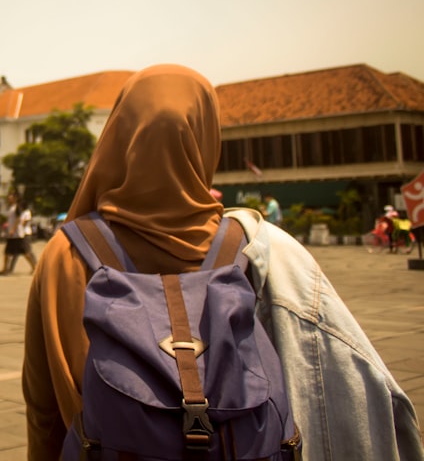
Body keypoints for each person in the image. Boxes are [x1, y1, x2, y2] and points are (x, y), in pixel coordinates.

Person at [23, 64, 424, 460]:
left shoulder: (65, 253)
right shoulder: (255, 250)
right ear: (206, 138)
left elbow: (44, 410)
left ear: (119, 136)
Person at [0, 192, 28, 275]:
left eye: (10, 196)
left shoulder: (17, 207)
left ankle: (35, 267)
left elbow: (18, 219)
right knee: (7, 252)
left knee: (25, 252)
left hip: (17, 234)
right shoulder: (11, 207)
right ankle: (5, 269)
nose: (9, 198)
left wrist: (13, 229)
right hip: (12, 235)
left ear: (15, 198)